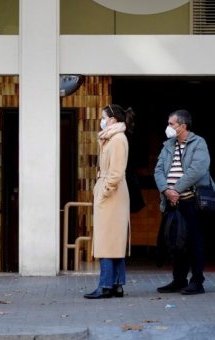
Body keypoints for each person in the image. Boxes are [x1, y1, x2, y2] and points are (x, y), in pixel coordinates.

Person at [154, 109, 215, 295]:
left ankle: (197, 281)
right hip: (171, 202)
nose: (168, 127)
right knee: (174, 241)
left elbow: (197, 169)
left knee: (194, 241)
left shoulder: (198, 143)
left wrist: (176, 189)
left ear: (183, 125)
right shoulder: (168, 145)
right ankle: (178, 279)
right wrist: (166, 190)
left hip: (190, 201)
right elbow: (158, 170)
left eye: (171, 124)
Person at [84, 104, 135, 299]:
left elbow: (116, 170)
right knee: (113, 240)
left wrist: (105, 190)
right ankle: (115, 284)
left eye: (103, 117)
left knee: (108, 240)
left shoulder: (117, 140)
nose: (101, 120)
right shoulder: (111, 138)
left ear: (112, 119)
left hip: (112, 193)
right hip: (110, 191)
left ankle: (106, 285)